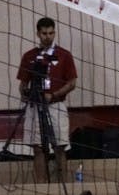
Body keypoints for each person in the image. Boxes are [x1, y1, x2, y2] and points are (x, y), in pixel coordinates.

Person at [17, 17, 78, 183]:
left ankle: (62, 183)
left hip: (55, 105)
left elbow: (72, 82)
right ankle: (42, 185)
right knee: (37, 147)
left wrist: (54, 94)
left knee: (60, 146)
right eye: (44, 33)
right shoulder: (29, 56)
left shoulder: (64, 55)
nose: (47, 37)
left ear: (54, 33)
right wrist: (27, 93)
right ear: (38, 33)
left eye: (51, 33)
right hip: (35, 106)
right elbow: (22, 83)